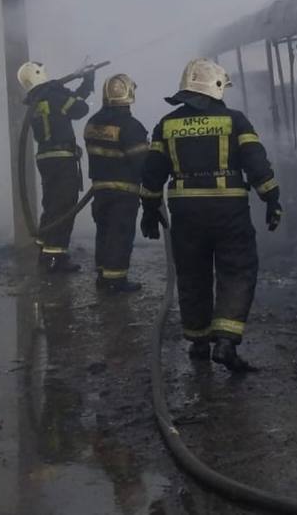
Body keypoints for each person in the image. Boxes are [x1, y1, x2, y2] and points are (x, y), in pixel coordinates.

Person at [140, 58, 282, 372]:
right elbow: (257, 164)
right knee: (237, 268)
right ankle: (226, 342)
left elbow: (152, 172)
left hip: (186, 213)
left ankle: (199, 342)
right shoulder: (235, 120)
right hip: (229, 210)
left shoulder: (167, 124)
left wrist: (148, 209)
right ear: (216, 86)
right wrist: (272, 199)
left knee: (192, 273)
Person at [18, 61, 95, 273]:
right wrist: (86, 82)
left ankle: (45, 251)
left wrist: (86, 83)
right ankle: (55, 257)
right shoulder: (53, 95)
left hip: (46, 157)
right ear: (39, 74)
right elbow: (79, 108)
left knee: (52, 204)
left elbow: (69, 104)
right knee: (64, 206)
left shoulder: (38, 99)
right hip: (61, 158)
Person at [84, 74, 150, 293]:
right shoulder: (131, 126)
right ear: (129, 94)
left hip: (100, 191)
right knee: (119, 235)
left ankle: (103, 276)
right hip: (123, 193)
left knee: (104, 233)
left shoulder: (92, 123)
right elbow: (141, 163)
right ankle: (115, 281)